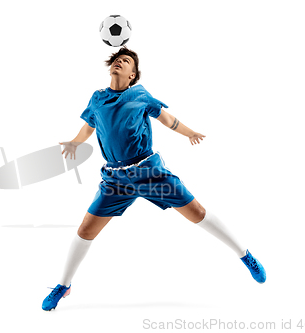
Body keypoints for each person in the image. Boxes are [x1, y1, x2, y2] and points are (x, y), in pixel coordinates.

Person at [42, 46, 266, 311]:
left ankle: (245, 254)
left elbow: (167, 118)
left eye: (125, 61)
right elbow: (89, 125)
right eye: (116, 59)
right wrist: (75, 143)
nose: (118, 62)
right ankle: (63, 285)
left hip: (149, 171)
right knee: (86, 229)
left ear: (132, 74)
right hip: (115, 179)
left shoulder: (139, 93)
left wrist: (190, 132)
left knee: (196, 211)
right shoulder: (97, 98)